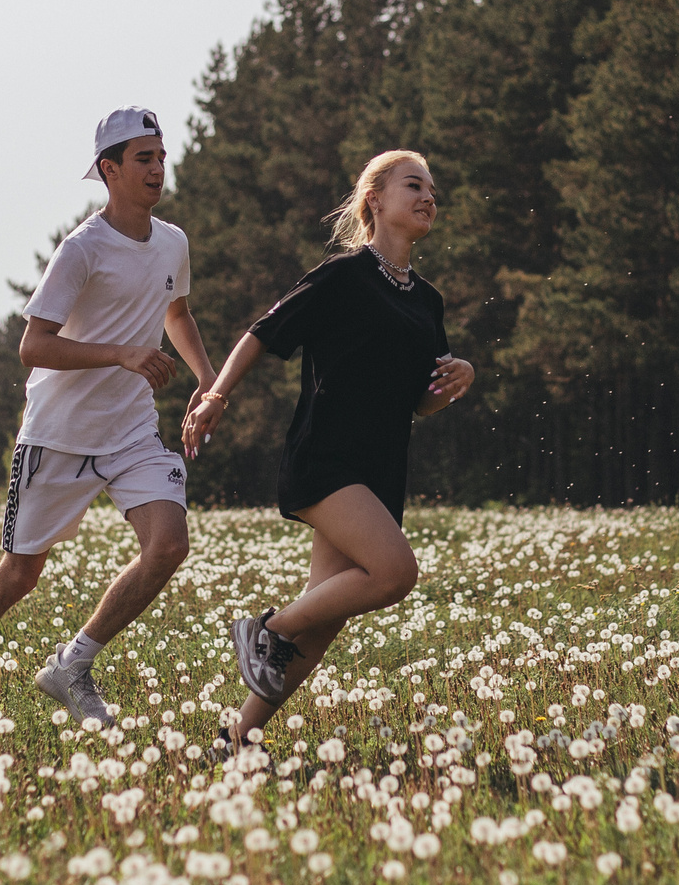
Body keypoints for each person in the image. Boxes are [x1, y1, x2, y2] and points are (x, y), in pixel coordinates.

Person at [0, 107, 212, 728]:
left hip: (132, 431)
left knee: (169, 545)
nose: (158, 169)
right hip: (57, 435)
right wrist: (122, 353)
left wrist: (210, 382)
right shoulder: (81, 249)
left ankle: (72, 665)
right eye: (143, 159)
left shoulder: (173, 242)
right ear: (109, 169)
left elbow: (177, 313)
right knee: (20, 575)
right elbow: (34, 346)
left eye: (161, 156)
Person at [181, 149, 474, 753]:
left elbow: (419, 402)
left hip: (380, 469)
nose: (428, 197)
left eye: (433, 191)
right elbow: (261, 333)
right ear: (375, 200)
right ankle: (268, 628)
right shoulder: (343, 276)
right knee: (395, 573)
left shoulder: (428, 300)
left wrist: (456, 382)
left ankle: (235, 740)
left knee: (322, 625)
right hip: (326, 460)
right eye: (414, 185)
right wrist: (216, 395)